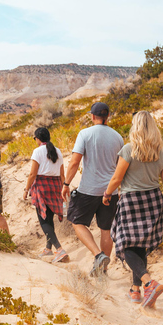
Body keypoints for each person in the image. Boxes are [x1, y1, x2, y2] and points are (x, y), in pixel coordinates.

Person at [102, 111, 163, 308]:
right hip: (154, 199)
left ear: (134, 127)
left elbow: (117, 179)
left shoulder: (129, 150)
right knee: (140, 246)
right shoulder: (162, 152)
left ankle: (149, 282)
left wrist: (106, 194)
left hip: (131, 201)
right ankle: (135, 290)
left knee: (124, 245)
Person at [62, 102, 124, 276]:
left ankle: (98, 255)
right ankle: (103, 271)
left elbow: (74, 162)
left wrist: (66, 184)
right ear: (108, 116)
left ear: (92, 116)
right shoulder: (118, 137)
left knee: (77, 222)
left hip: (88, 189)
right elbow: (120, 166)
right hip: (110, 191)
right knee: (106, 229)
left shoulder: (85, 134)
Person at [23, 127, 69, 263]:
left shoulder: (37, 152)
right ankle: (48, 248)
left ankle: (59, 249)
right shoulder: (58, 151)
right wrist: (64, 188)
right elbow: (62, 174)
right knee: (49, 218)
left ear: (37, 138)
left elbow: (33, 174)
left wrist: (26, 189)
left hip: (41, 187)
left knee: (43, 220)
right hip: (55, 186)